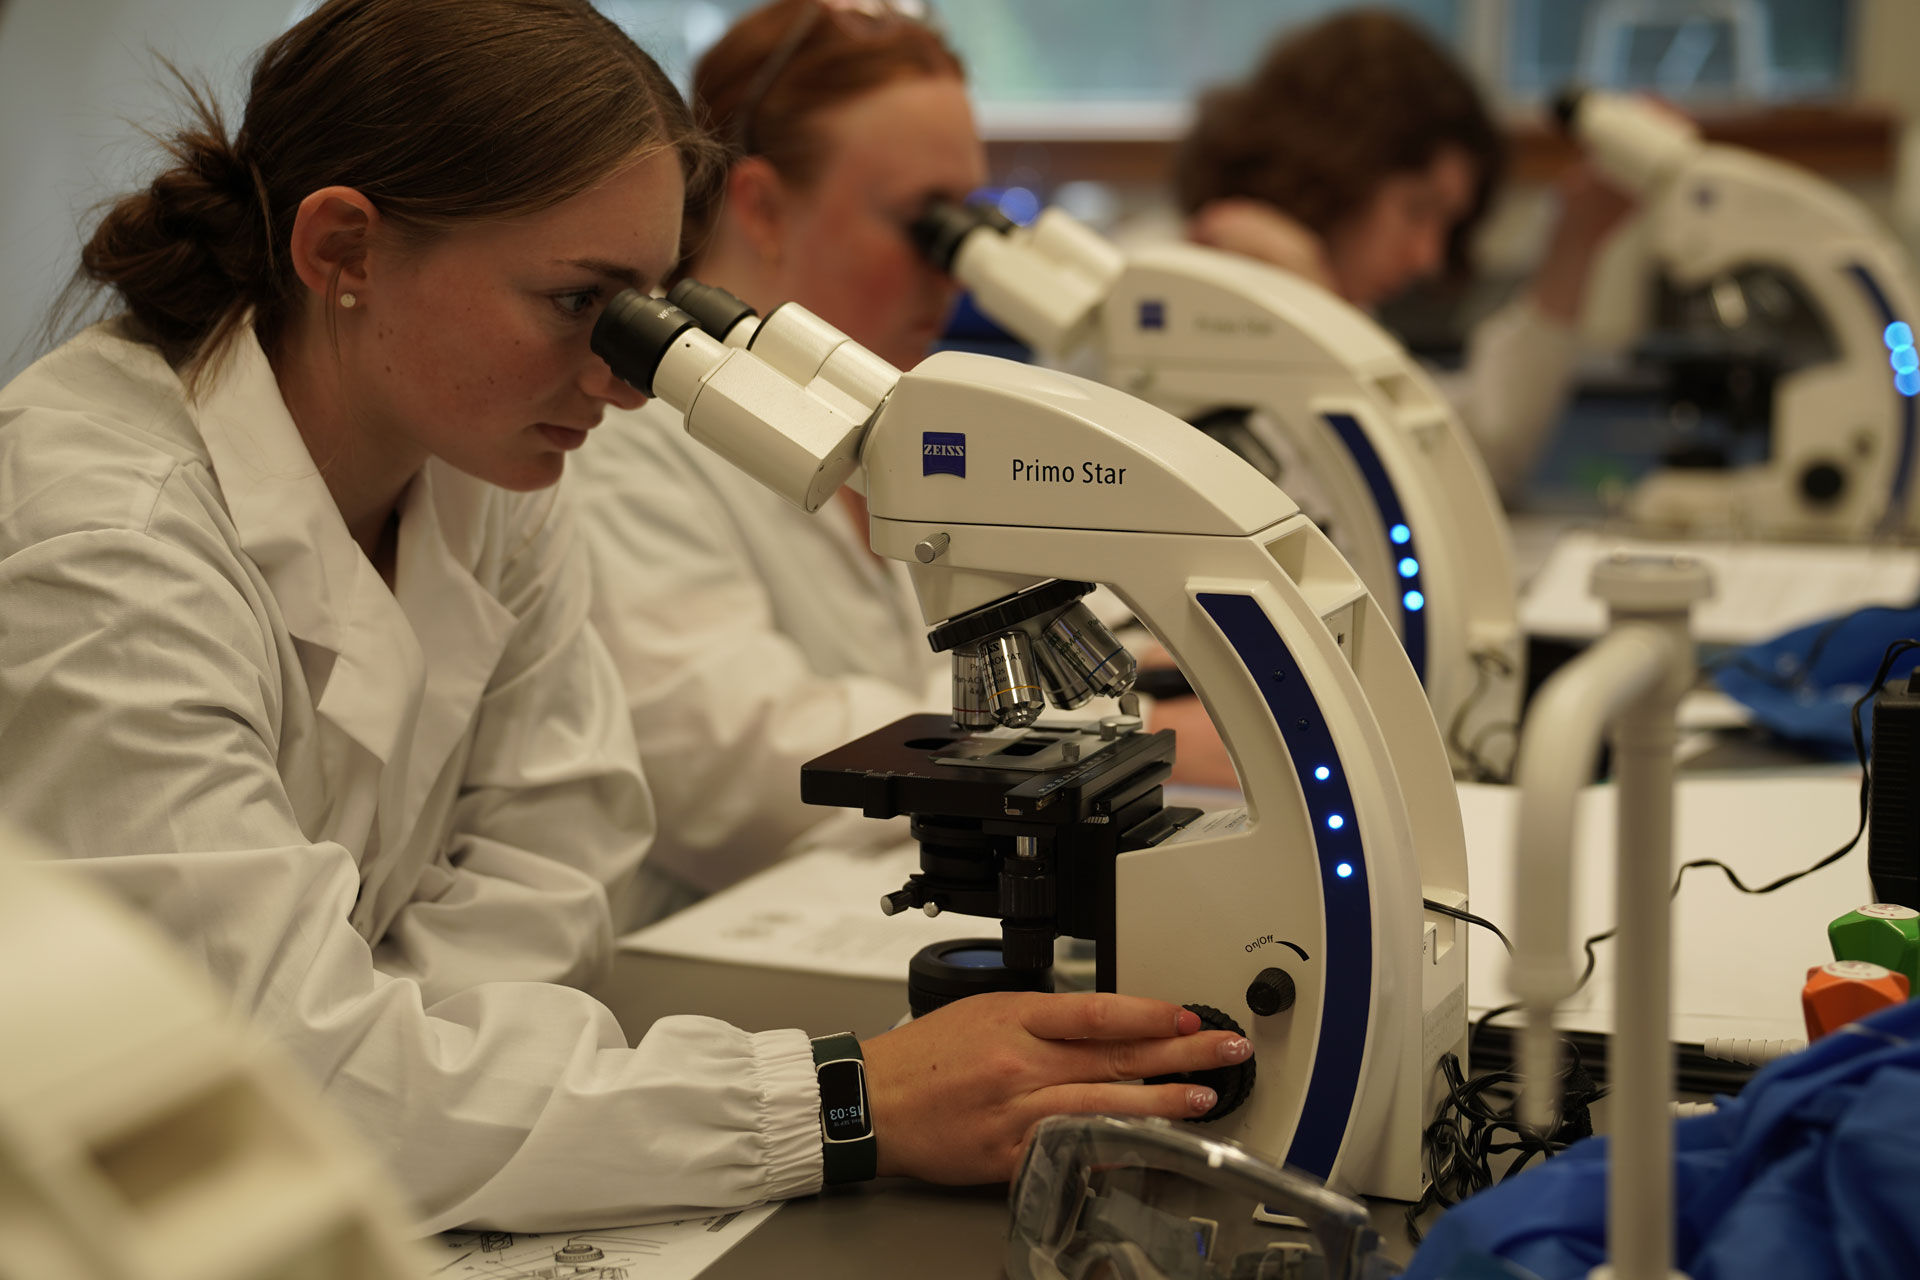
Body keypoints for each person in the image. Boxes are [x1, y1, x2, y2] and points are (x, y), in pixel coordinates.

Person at [0, 0, 1248, 1233]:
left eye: (648, 306)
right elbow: (266, 1088)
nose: (622, 378)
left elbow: (558, 866)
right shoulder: (105, 549)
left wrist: (418, 1076)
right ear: (343, 252)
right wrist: (847, 1098)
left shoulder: (480, 466)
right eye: (577, 301)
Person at [570, 0, 1234, 917]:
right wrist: (1138, 732)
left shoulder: (881, 420)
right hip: (721, 946)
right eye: (925, 225)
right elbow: (738, 766)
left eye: (965, 222)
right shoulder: (625, 442)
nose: (954, 270)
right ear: (762, 206)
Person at [1174, 8, 1635, 499]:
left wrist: (1577, 240)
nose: (1428, 258)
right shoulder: (1166, 279)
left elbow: (1466, 455)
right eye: (1417, 209)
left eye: (1446, 224)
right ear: (1331, 166)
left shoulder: (1329, 293)